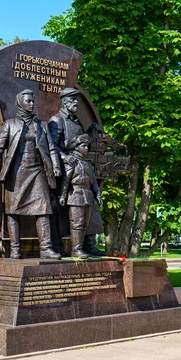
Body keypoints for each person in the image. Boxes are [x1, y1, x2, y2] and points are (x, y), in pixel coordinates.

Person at [0, 89, 62, 260]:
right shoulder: (10, 124)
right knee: (13, 211)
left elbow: (51, 148)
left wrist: (55, 165)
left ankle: (46, 248)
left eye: (33, 101)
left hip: (38, 171)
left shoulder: (42, 125)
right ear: (20, 103)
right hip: (17, 172)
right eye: (28, 101)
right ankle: (15, 249)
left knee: (43, 210)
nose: (32, 104)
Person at [49, 87, 106, 256]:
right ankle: (74, 247)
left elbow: (80, 141)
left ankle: (90, 244)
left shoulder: (75, 122)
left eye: (77, 101)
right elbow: (52, 144)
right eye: (73, 101)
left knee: (91, 207)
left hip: (80, 162)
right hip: (65, 167)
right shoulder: (57, 120)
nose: (76, 104)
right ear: (65, 102)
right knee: (76, 214)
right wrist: (64, 157)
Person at [59, 134, 102, 259]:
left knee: (84, 225)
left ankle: (81, 248)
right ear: (77, 147)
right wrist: (63, 195)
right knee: (77, 224)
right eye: (84, 146)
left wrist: (97, 195)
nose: (87, 149)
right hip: (75, 195)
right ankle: (76, 250)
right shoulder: (72, 161)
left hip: (87, 196)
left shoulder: (88, 164)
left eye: (87, 146)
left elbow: (93, 182)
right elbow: (66, 180)